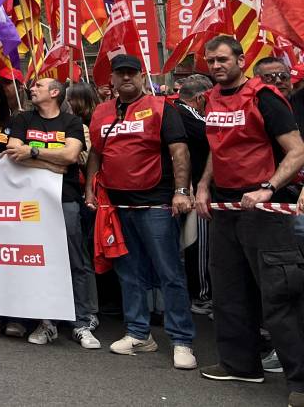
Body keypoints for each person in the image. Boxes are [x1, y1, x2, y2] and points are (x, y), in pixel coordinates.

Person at [195, 35, 304, 399]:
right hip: (225, 211)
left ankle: (300, 382)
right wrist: (203, 187)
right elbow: (217, 146)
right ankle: (240, 366)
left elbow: (297, 151)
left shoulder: (264, 97)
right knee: (228, 292)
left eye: (223, 59)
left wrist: (267, 188)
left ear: (241, 60)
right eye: (211, 61)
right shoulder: (211, 98)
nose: (216, 66)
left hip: (264, 212)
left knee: (280, 297)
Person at [85, 54, 196, 370]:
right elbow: (96, 152)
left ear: (141, 75)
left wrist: (181, 191)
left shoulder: (162, 107)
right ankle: (138, 333)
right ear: (112, 80)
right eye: (120, 74)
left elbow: (180, 151)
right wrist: (91, 188)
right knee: (128, 272)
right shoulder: (102, 112)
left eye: (131, 73)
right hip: (117, 206)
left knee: (169, 272)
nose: (126, 78)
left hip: (156, 203)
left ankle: (182, 340)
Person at [5, 77, 99, 349]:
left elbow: (71, 157)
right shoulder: (23, 119)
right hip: (31, 202)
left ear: (55, 93)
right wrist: (52, 163)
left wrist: (33, 152)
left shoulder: (71, 123)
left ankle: (82, 322)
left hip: (66, 199)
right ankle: (47, 322)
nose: (31, 89)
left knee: (74, 260)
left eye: (39, 86)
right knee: (41, 260)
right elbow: (13, 151)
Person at [171, 74, 214, 319]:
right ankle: (202, 295)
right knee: (198, 244)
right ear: (200, 98)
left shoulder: (173, 111)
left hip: (186, 189)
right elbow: (214, 134)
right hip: (195, 190)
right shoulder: (188, 114)